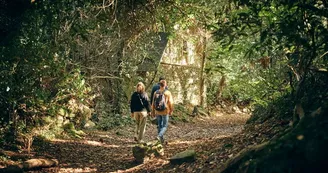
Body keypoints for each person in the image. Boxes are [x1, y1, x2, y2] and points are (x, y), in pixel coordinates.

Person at [152, 80, 173, 144]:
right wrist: (171, 110)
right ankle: (159, 136)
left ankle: (161, 141)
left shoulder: (156, 92)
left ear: (159, 85)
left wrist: (153, 111)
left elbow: (153, 103)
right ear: (165, 85)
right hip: (165, 111)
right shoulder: (168, 93)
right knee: (165, 126)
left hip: (158, 111)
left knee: (159, 126)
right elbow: (170, 103)